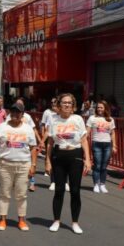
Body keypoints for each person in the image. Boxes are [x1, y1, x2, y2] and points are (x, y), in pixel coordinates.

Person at [0, 102, 38, 231]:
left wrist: (33, 165)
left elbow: (33, 148)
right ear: (9, 113)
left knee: (21, 194)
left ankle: (22, 220)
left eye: (18, 112)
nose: (15, 114)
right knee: (4, 193)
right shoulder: (1, 127)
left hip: (23, 165)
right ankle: (2, 220)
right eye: (12, 112)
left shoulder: (28, 129)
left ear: (22, 114)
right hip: (5, 164)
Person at [45, 93, 91, 235]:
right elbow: (51, 142)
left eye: (69, 103)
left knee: (75, 191)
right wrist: (47, 161)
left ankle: (75, 222)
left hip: (75, 156)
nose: (66, 105)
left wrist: (87, 159)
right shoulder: (53, 120)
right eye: (64, 103)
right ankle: (56, 220)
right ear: (59, 105)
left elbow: (83, 140)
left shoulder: (77, 119)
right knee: (59, 190)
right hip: (59, 156)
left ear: (73, 106)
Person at [87, 100, 116, 194]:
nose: (99, 109)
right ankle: (96, 184)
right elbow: (87, 131)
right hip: (96, 143)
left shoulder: (110, 119)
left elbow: (113, 133)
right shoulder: (92, 118)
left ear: (105, 109)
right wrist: (83, 142)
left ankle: (102, 184)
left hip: (107, 144)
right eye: (98, 107)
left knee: (104, 166)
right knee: (97, 165)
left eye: (101, 107)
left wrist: (114, 145)